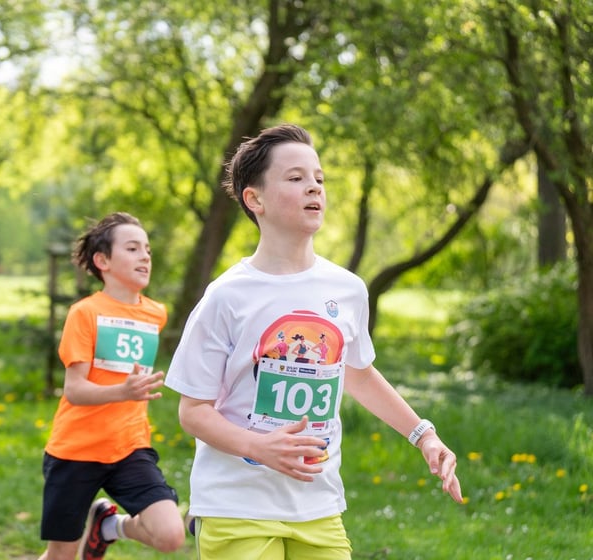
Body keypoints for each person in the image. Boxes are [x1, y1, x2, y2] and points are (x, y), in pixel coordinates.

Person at [165, 124, 463, 559]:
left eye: (319, 178)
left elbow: (359, 375)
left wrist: (424, 436)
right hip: (236, 505)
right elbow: (193, 411)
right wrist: (257, 447)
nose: (314, 187)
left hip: (317, 505)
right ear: (255, 199)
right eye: (295, 177)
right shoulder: (227, 296)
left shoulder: (348, 289)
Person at [39, 212, 185, 560]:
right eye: (132, 249)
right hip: (76, 451)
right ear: (102, 261)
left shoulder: (156, 313)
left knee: (170, 535)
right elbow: (74, 390)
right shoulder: (85, 313)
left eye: (147, 250)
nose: (144, 256)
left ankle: (108, 527)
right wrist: (123, 392)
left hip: (129, 448)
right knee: (61, 556)